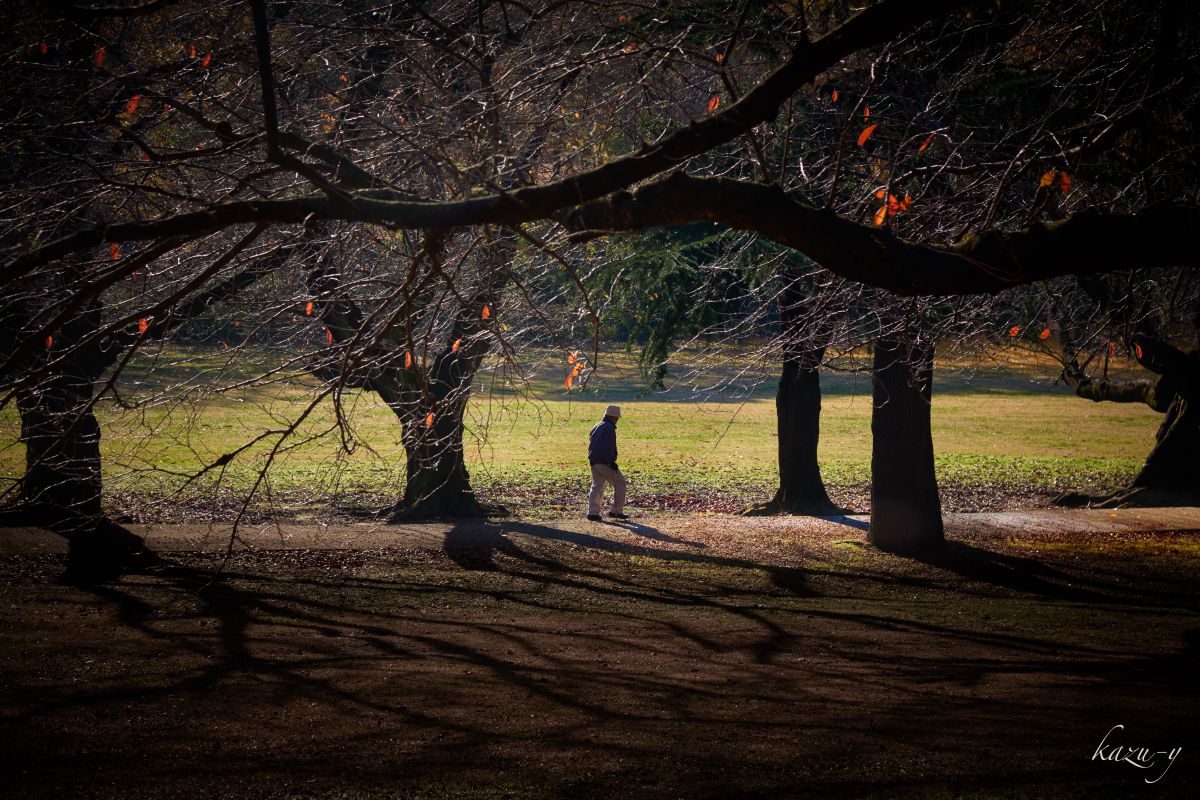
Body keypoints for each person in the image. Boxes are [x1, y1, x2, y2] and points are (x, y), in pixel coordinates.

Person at [587, 405, 628, 521]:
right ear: (613, 417)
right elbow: (607, 447)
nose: (618, 419)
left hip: (593, 460)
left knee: (597, 485)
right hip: (604, 462)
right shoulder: (609, 428)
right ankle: (616, 511)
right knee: (620, 483)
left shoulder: (597, 425)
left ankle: (593, 513)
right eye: (617, 417)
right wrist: (611, 462)